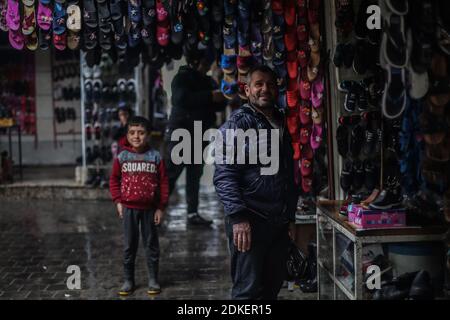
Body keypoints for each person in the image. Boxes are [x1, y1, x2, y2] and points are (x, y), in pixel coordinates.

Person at [213, 66, 299, 300]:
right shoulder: (238, 124)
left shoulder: (283, 122)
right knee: (247, 292)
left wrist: (289, 216)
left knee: (271, 289)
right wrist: (238, 218)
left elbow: (289, 175)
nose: (265, 89)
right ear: (247, 89)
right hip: (249, 220)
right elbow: (224, 175)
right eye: (259, 84)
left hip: (278, 222)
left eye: (270, 84)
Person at [164, 49, 226, 226]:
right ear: (196, 62)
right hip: (180, 134)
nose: (206, 66)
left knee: (194, 175)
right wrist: (209, 97)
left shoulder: (208, 81)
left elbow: (220, 103)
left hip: (199, 135)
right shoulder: (182, 78)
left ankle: (192, 214)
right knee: (171, 174)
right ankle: (156, 212)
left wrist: (219, 97)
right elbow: (180, 98)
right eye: (204, 63)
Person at [109, 116, 169, 296]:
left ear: (148, 135)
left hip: (150, 209)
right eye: (132, 133)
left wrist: (161, 207)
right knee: (129, 246)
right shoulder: (122, 157)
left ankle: (153, 279)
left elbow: (164, 183)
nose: (136, 136)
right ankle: (128, 280)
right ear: (127, 135)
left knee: (151, 244)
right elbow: (114, 179)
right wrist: (118, 201)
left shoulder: (155, 157)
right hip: (128, 209)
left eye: (141, 133)